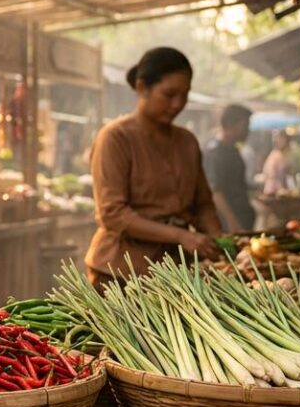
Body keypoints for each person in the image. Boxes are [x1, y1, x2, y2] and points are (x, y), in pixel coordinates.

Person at [86, 48, 224, 287]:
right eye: (169, 94)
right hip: (119, 273)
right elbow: (113, 214)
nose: (177, 104)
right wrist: (181, 236)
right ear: (142, 88)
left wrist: (220, 244)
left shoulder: (187, 141)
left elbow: (203, 204)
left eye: (184, 95)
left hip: (176, 272)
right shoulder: (115, 137)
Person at [204, 104, 257, 233]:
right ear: (231, 125)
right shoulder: (215, 153)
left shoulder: (233, 150)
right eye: (245, 125)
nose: (248, 130)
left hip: (243, 218)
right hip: (227, 225)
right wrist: (232, 221)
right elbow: (215, 192)